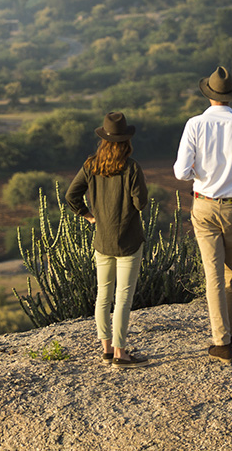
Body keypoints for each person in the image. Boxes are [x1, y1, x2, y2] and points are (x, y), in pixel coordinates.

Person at [173, 66, 232, 364]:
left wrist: (201, 171)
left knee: (213, 273)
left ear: (208, 94)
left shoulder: (194, 124)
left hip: (205, 204)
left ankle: (221, 341)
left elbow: (181, 172)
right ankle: (231, 331)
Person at [66, 111, 150, 369]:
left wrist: (90, 217)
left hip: (102, 241)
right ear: (126, 141)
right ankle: (121, 354)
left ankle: (106, 350)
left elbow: (71, 195)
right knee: (123, 298)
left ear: (103, 139)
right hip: (128, 241)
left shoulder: (91, 165)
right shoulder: (132, 167)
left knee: (103, 296)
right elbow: (140, 202)